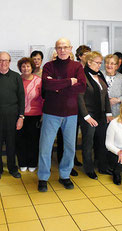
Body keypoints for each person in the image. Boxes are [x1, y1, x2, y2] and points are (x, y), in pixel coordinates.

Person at [37, 38, 86, 192]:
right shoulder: (49, 66)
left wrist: (58, 84)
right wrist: (69, 82)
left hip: (71, 114)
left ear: (70, 48)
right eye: (59, 47)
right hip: (51, 112)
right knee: (45, 147)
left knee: (70, 148)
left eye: (65, 47)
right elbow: (47, 85)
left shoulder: (77, 67)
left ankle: (65, 175)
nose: (62, 50)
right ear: (56, 49)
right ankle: (43, 177)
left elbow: (82, 87)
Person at [0, 52, 25, 181]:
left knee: (12, 144)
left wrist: (21, 117)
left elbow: (21, 98)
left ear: (9, 61)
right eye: (1, 61)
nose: (3, 63)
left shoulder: (16, 77)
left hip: (13, 118)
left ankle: (13, 168)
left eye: (6, 60)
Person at [78, 51, 113, 179]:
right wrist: (86, 116)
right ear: (89, 62)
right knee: (88, 143)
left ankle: (103, 167)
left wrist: (108, 112)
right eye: (97, 63)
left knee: (102, 141)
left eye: (100, 63)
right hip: (88, 115)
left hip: (101, 114)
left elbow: (105, 95)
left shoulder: (99, 75)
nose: (100, 65)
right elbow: (79, 97)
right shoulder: (82, 75)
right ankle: (89, 168)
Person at [16, 57, 43, 172]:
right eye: (23, 66)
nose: (26, 68)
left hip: (35, 115)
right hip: (19, 116)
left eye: (28, 66)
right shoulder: (16, 79)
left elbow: (43, 98)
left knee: (33, 140)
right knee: (20, 140)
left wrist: (43, 114)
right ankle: (22, 162)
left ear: (32, 67)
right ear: (20, 68)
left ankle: (32, 163)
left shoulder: (38, 80)